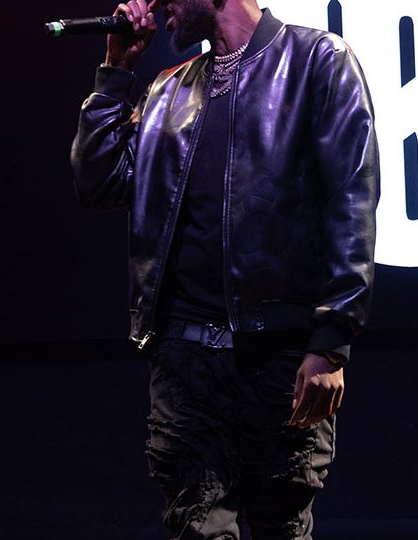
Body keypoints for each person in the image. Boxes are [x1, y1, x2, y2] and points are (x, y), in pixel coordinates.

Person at [70, 0, 379, 537]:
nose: (156, 4)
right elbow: (99, 184)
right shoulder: (168, 90)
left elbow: (350, 200)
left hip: (278, 357)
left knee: (280, 528)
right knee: (197, 528)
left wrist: (331, 341)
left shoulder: (317, 60)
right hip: (185, 362)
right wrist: (115, 70)